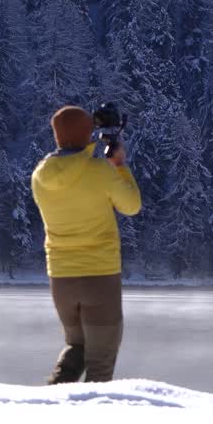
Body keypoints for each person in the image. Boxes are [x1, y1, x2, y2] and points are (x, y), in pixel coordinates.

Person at [31, 105, 141, 384]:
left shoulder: (40, 176)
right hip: (99, 277)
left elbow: (71, 167)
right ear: (85, 134)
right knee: (101, 360)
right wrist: (119, 166)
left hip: (61, 278)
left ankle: (48, 408)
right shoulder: (100, 172)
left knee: (76, 348)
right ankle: (91, 421)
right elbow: (131, 206)